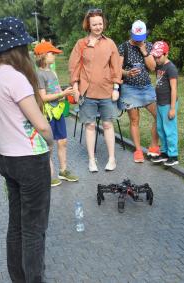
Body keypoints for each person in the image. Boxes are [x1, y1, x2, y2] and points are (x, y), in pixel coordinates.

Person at [0, 17, 53, 282]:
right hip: (29, 159)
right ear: (18, 47)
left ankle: (18, 277)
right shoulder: (16, 78)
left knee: (17, 226)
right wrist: (51, 141)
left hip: (7, 158)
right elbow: (41, 125)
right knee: (35, 229)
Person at [68, 8, 122, 172]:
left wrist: (116, 87)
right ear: (88, 25)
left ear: (103, 24)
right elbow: (74, 67)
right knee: (90, 126)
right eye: (94, 24)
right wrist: (75, 87)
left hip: (107, 92)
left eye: (100, 23)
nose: (98, 27)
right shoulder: (81, 44)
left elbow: (116, 67)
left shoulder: (110, 43)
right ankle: (92, 160)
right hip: (87, 93)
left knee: (107, 124)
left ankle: (112, 159)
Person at [34, 41, 79, 187]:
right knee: (49, 145)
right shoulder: (39, 74)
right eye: (51, 53)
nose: (54, 56)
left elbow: (57, 90)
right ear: (42, 56)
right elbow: (43, 97)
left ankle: (63, 170)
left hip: (58, 111)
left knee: (63, 141)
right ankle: (48, 175)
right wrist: (62, 93)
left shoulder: (52, 72)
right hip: (48, 114)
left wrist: (67, 94)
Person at [118, 20, 160, 163]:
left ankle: (154, 146)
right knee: (135, 120)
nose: (138, 41)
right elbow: (117, 69)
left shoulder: (148, 45)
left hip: (146, 87)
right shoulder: (123, 47)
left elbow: (153, 67)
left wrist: (144, 50)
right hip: (129, 89)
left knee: (159, 115)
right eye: (136, 39)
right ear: (131, 34)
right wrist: (127, 73)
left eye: (141, 39)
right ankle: (138, 151)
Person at [150, 41, 179, 166]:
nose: (156, 59)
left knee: (169, 130)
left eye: (158, 56)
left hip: (168, 104)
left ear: (166, 54)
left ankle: (173, 155)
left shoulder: (171, 68)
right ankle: (164, 152)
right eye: (155, 56)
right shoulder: (159, 66)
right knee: (161, 129)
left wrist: (172, 108)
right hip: (160, 103)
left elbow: (174, 89)